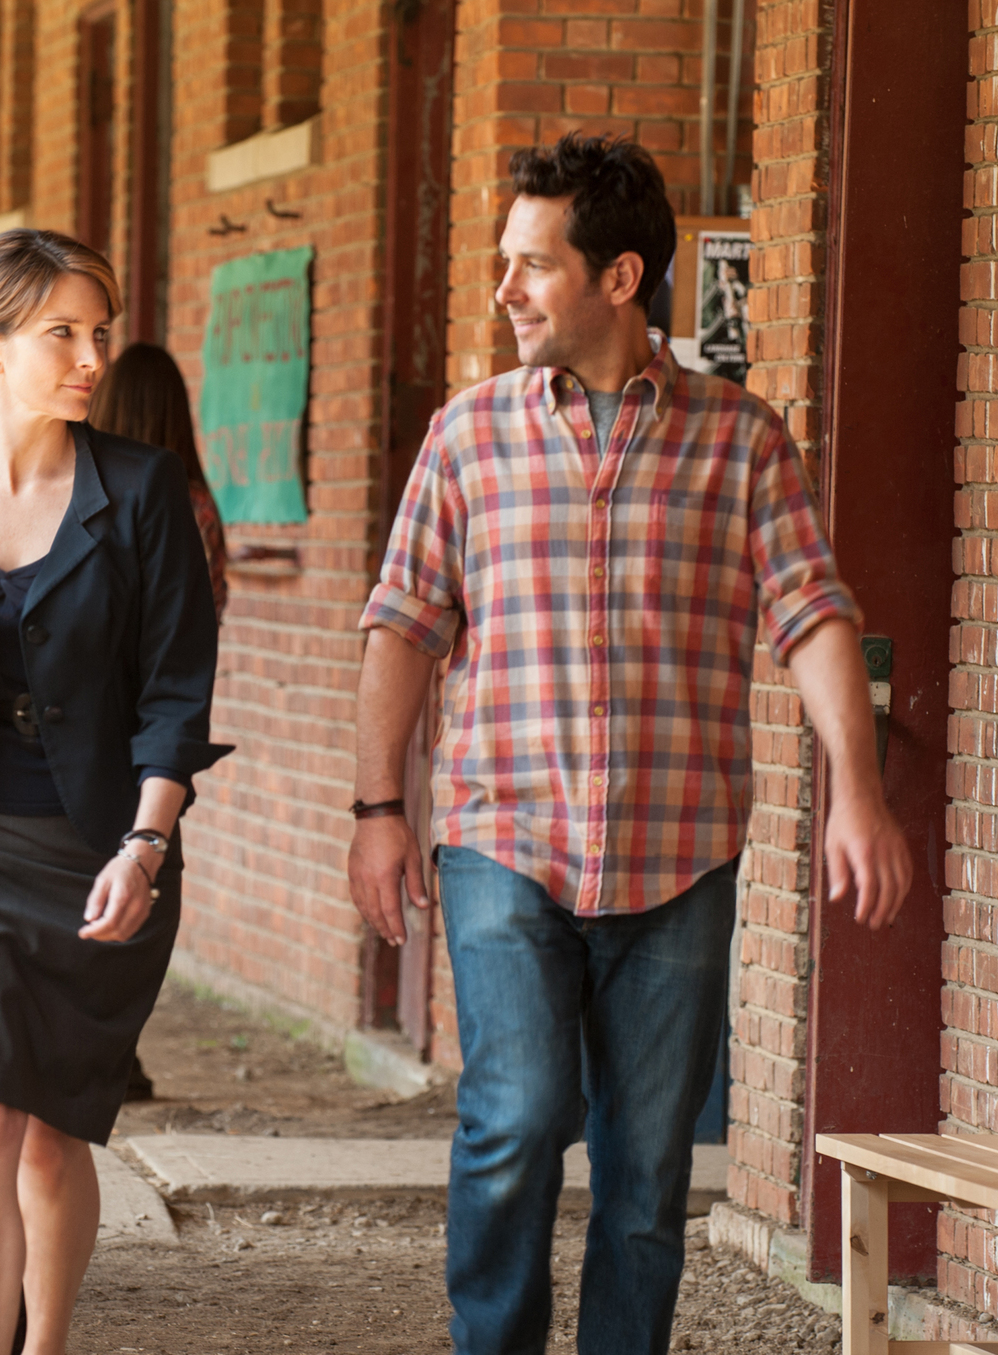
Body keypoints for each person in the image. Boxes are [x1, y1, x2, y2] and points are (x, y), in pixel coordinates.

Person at [346, 134, 913, 1354]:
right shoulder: (467, 435)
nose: (505, 291)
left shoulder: (739, 439)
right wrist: (375, 809)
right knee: (515, 1116)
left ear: (618, 277)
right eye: (505, 263)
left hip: (676, 850)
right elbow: (399, 625)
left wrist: (853, 793)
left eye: (530, 265)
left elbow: (813, 616)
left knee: (648, 1168)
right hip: (503, 834)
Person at [0, 228, 226, 1355]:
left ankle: (45, 1343)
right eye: (60, 332)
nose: (90, 355)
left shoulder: (142, 487)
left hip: (98, 844)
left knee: (52, 1133)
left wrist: (146, 844)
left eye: (98, 332)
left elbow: (176, 690)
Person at [87, 341, 230, 1100]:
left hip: (92, 719)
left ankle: (96, 1049)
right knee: (145, 872)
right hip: (159, 729)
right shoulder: (196, 506)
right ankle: (115, 1048)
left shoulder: (87, 493)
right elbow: (203, 620)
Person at [89, 342, 229, 619]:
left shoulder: (80, 492)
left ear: (107, 404)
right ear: (176, 414)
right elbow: (208, 606)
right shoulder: (196, 506)